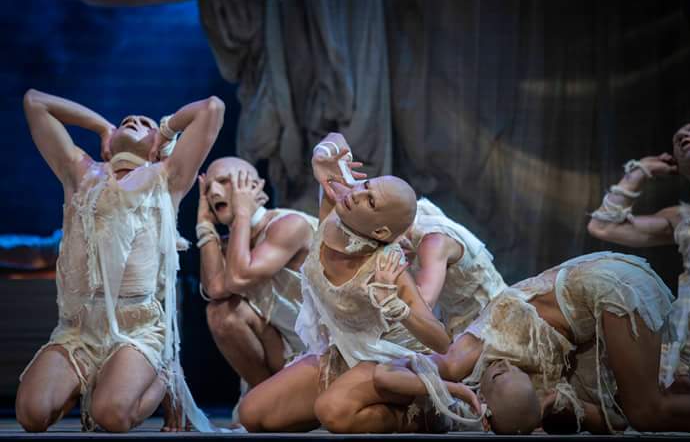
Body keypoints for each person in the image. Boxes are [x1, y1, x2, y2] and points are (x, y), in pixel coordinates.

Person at [15, 89, 224, 432]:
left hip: (135, 329)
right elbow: (35, 103)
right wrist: (102, 127)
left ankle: (164, 373)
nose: (133, 121)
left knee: (111, 416)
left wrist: (167, 129)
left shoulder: (167, 177)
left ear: (158, 147)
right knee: (32, 415)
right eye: (126, 121)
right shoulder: (80, 173)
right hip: (79, 330)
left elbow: (212, 108)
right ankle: (90, 379)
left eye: (143, 123)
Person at [236, 133, 454, 433]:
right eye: (366, 185)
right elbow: (335, 141)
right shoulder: (335, 211)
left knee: (334, 413)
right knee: (253, 414)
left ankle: (418, 415)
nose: (357, 194)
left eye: (370, 200)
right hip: (344, 353)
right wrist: (324, 152)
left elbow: (442, 343)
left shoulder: (387, 265)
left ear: (380, 232)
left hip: (388, 363)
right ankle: (352, 399)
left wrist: (396, 306)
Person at [374, 252, 690, 434]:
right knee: (650, 400)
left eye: (500, 372)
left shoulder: (462, 359)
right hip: (593, 291)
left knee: (646, 413)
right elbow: (612, 422)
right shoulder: (535, 399)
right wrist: (550, 403)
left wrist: (393, 302)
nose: (504, 365)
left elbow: (387, 372)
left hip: (605, 286)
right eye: (506, 373)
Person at [587, 120, 690, 400]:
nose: (683, 135)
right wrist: (641, 171)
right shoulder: (684, 217)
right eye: (677, 138)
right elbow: (602, 226)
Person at [196, 157, 317, 422]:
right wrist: (204, 224)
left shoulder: (288, 225)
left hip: (320, 354)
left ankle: (275, 405)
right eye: (207, 188)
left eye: (224, 181)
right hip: (284, 354)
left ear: (254, 187)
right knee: (221, 312)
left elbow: (239, 278)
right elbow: (216, 289)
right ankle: (268, 399)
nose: (214, 192)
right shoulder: (230, 245)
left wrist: (242, 213)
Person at [405, 198, 506, 336]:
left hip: (488, 321)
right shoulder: (408, 212)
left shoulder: (433, 241)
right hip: (452, 317)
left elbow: (424, 303)